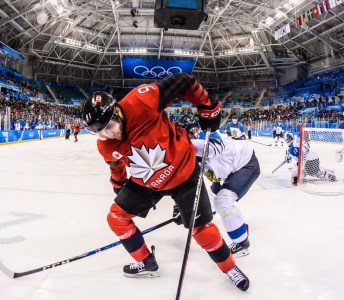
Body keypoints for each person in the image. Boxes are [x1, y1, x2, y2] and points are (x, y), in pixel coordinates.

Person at [80, 73, 249, 291]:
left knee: (203, 230)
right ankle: (146, 262)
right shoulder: (105, 143)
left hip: (184, 172)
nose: (107, 134)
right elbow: (116, 166)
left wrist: (206, 107)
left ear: (118, 111)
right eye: (99, 132)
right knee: (116, 219)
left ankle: (229, 268)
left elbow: (183, 81)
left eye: (109, 126)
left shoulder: (140, 101)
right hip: (148, 181)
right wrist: (119, 185)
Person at [175, 115, 260, 257]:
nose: (181, 140)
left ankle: (241, 242)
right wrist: (185, 208)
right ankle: (234, 226)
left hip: (246, 164)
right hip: (228, 169)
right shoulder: (193, 145)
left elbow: (214, 172)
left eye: (185, 135)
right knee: (211, 199)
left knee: (223, 201)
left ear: (195, 131)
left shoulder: (208, 141)